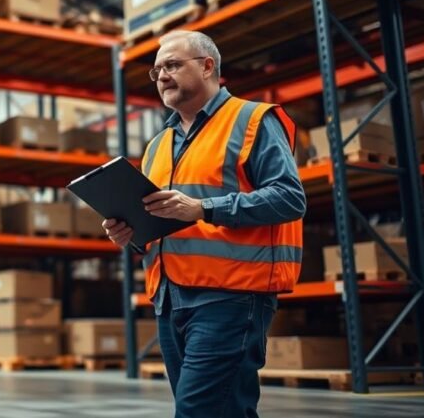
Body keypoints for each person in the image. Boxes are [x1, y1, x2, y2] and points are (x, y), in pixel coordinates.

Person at [103, 30, 306, 418]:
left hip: (230, 294)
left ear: (208, 66)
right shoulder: (158, 144)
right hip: (169, 298)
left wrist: (203, 208)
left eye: (173, 65)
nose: (162, 75)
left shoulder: (251, 120)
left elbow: (289, 198)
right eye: (157, 69)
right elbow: (158, 222)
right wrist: (129, 234)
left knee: (199, 410)